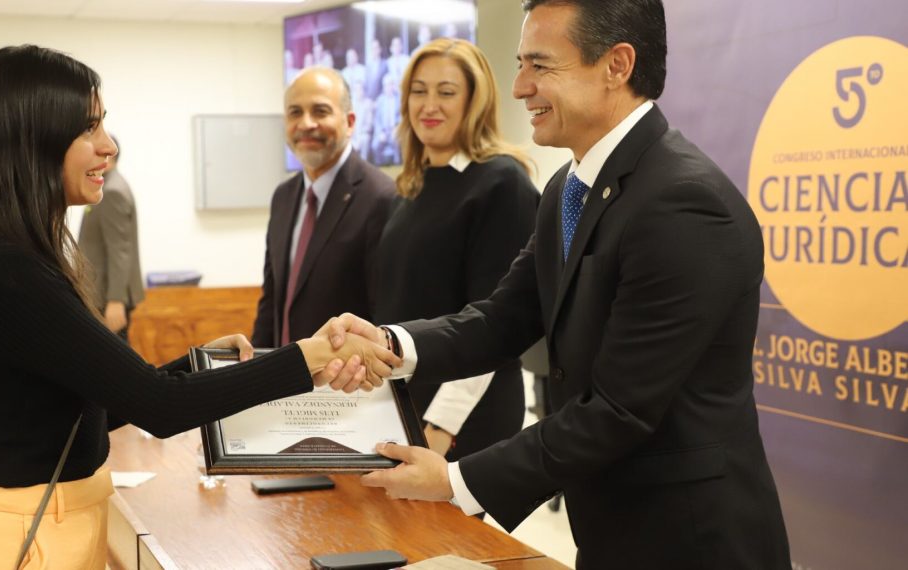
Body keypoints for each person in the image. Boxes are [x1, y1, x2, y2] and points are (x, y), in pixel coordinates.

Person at [321, 1, 791, 568]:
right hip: (610, 528)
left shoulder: (684, 203)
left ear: (617, 65)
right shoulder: (568, 188)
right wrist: (390, 344)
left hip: (693, 540)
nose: (520, 87)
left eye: (540, 65)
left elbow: (619, 410)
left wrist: (455, 479)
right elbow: (502, 319)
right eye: (521, 64)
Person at [0, 45, 398, 570]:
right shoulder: (4, 270)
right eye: (89, 129)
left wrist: (199, 364)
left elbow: (92, 406)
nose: (108, 146)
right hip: (12, 537)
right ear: (32, 140)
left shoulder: (6, 257)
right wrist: (308, 356)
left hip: (37, 526)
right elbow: (159, 407)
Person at [377, 39, 538, 470]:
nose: (429, 105)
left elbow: (495, 322)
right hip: (405, 404)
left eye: (446, 92)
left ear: (473, 101)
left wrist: (441, 427)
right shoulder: (410, 188)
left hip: (463, 419)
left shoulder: (502, 183)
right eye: (419, 91)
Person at [252, 67, 395, 348]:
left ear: (350, 122)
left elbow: (386, 316)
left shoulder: (382, 197)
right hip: (283, 371)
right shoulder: (283, 197)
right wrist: (253, 368)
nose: (306, 124)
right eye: (295, 112)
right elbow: (271, 303)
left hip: (347, 373)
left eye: (320, 111)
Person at [77, 135, 142, 341]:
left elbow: (119, 250)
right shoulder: (106, 186)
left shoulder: (112, 191)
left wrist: (116, 300)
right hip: (103, 293)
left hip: (108, 297)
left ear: (108, 156)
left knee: (116, 357)